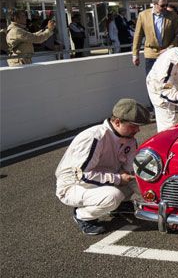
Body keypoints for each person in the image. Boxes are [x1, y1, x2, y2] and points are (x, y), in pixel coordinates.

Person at [55, 98, 149, 235]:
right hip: (73, 185)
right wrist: (117, 179)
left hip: (104, 178)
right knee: (113, 196)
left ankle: (118, 206)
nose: (138, 130)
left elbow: (130, 170)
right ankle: (82, 215)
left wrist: (150, 194)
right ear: (117, 122)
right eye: (134, 125)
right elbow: (82, 175)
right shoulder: (94, 137)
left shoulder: (130, 140)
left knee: (139, 184)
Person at [132, 0, 178, 74]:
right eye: (162, 5)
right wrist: (135, 54)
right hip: (151, 54)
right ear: (154, 4)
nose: (165, 7)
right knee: (151, 81)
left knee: (166, 81)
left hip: (167, 53)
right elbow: (138, 35)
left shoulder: (173, 15)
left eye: (166, 5)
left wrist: (170, 47)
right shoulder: (143, 15)